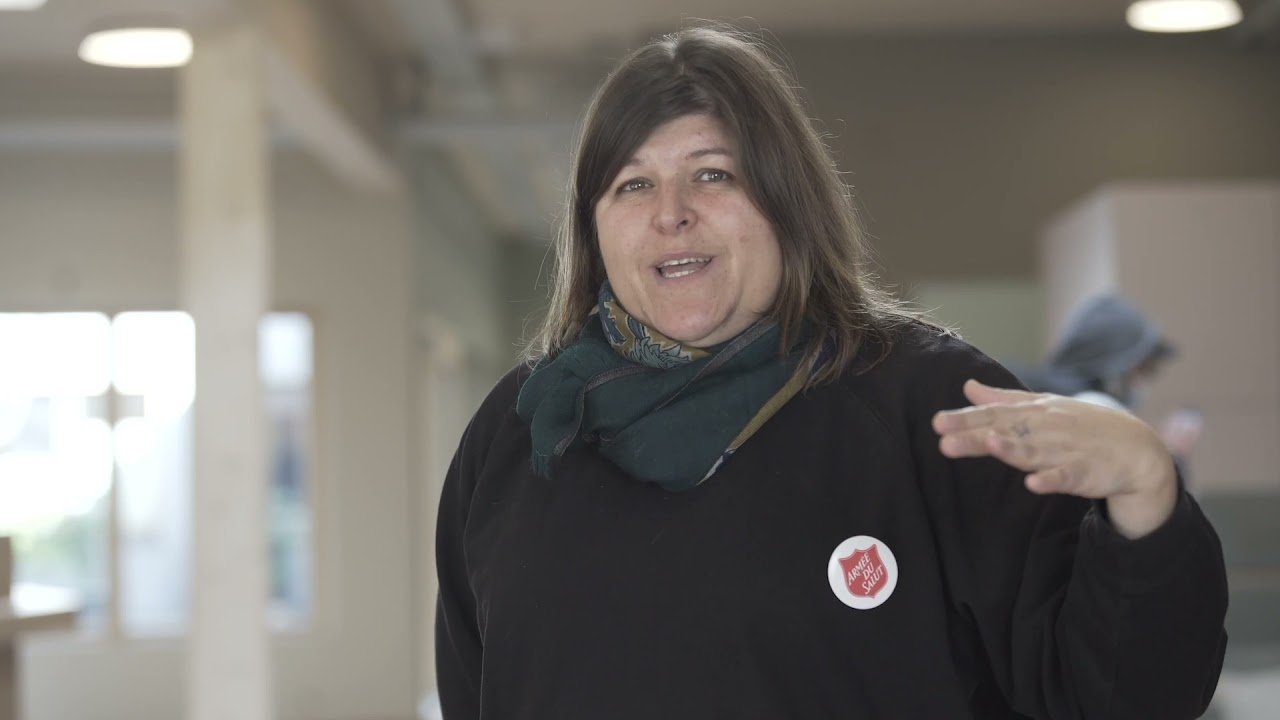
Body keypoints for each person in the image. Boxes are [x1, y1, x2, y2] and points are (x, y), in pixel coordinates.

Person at [435, 24, 1227, 719]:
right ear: (595, 229)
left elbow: (1118, 696)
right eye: (632, 184)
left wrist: (1145, 496)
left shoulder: (928, 411)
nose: (670, 212)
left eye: (713, 174)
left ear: (788, 201)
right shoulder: (524, 428)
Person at [1013, 293, 1204, 460]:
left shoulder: (1048, 404)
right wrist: (1172, 457)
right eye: (1143, 368)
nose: (1142, 381)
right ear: (1113, 367)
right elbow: (1131, 485)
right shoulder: (1094, 408)